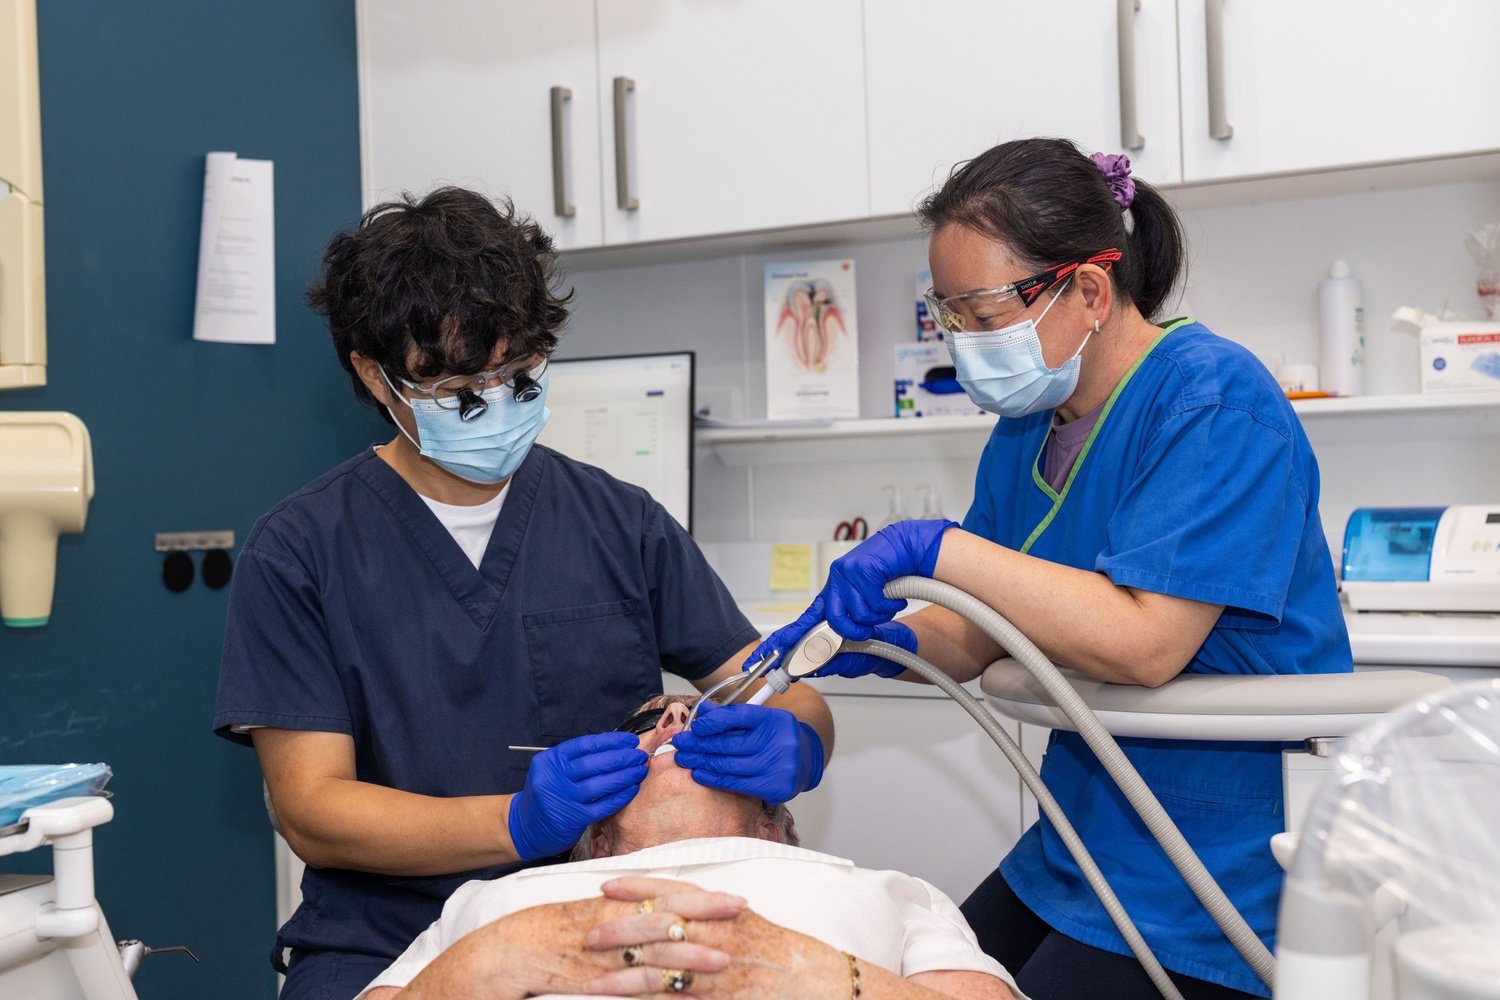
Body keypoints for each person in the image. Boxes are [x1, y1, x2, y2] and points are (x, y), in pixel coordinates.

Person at [751, 138, 1353, 1000]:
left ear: (1091, 292)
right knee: (915, 973)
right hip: (1084, 835)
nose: (962, 342)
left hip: (1221, 859)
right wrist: (870, 646)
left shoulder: (1212, 401)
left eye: (981, 316)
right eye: (947, 314)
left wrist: (938, 549)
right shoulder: (1027, 432)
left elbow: (1146, 641)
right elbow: (973, 627)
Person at [212, 187, 833, 1000]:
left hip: (603, 920)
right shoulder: (299, 552)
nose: (497, 404)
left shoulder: (620, 523)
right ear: (376, 374)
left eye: (520, 374)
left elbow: (777, 688)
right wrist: (516, 821)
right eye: (462, 390)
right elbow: (311, 809)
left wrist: (803, 740)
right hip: (386, 938)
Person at [357, 696, 1020, 1000]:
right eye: (650, 722)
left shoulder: (886, 891)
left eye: (708, 719)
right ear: (595, 835)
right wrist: (495, 960)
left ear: (774, 822)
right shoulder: (492, 903)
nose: (675, 720)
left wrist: (810, 975)